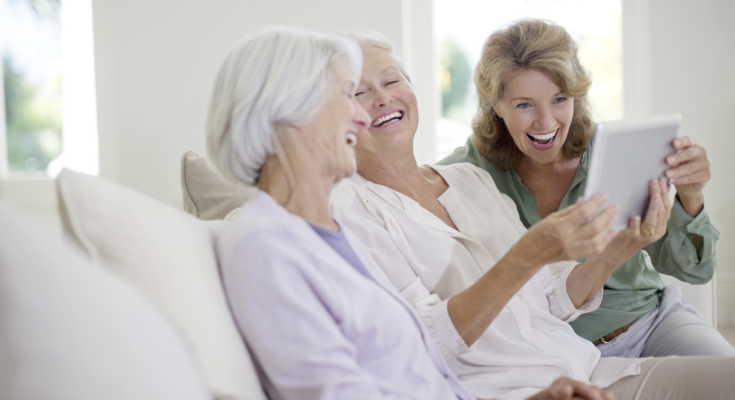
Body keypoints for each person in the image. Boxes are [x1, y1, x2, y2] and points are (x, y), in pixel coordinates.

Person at [329, 29, 735, 400]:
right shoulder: (350, 212)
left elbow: (549, 295)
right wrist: (528, 255)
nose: (383, 98)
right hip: (525, 385)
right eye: (359, 91)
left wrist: (625, 244)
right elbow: (416, 345)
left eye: (392, 81)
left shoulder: (467, 181)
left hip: (599, 359)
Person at [207, 27, 609, 400]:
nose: (361, 116)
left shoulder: (322, 234)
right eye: (346, 96)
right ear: (287, 117)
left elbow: (412, 368)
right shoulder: (265, 245)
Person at [437, 18, 733, 359]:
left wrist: (691, 195)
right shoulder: (464, 173)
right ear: (496, 105)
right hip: (556, 353)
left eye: (559, 99)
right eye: (524, 104)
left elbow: (694, 270)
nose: (546, 121)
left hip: (651, 324)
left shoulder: (615, 152)